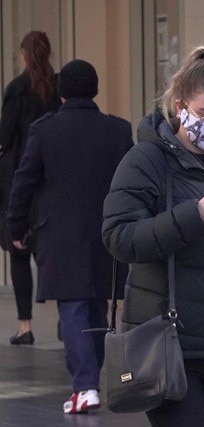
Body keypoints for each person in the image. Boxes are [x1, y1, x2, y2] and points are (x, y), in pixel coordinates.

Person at [102, 45, 204, 427]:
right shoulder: (145, 161)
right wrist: (192, 218)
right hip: (169, 345)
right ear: (180, 107)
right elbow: (118, 237)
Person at [6, 59, 133, 413]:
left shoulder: (45, 131)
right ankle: (89, 382)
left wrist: (15, 227)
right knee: (96, 307)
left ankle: (85, 385)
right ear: (94, 90)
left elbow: (24, 182)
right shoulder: (118, 131)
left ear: (61, 92)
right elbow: (131, 185)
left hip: (59, 236)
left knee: (74, 308)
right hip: (107, 233)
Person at [0, 31, 62, 345]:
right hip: (52, 178)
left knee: (19, 251)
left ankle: (25, 326)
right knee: (54, 252)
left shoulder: (16, 90)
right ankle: (66, 320)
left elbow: (5, 138)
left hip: (20, 179)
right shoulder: (57, 89)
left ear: (24, 55)